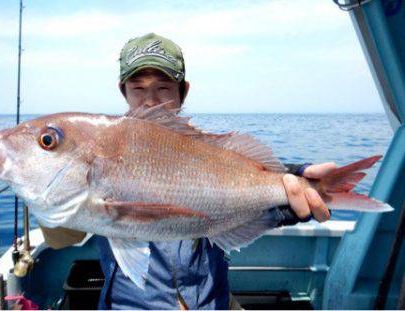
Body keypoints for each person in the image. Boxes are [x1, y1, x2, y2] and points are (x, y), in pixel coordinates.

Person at [41, 33, 335, 309]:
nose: (151, 101)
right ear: (124, 92)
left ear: (183, 92)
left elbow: (246, 185)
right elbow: (58, 238)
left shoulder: (214, 152)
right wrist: (53, 190)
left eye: (164, 88)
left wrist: (289, 183)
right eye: (138, 88)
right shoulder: (103, 151)